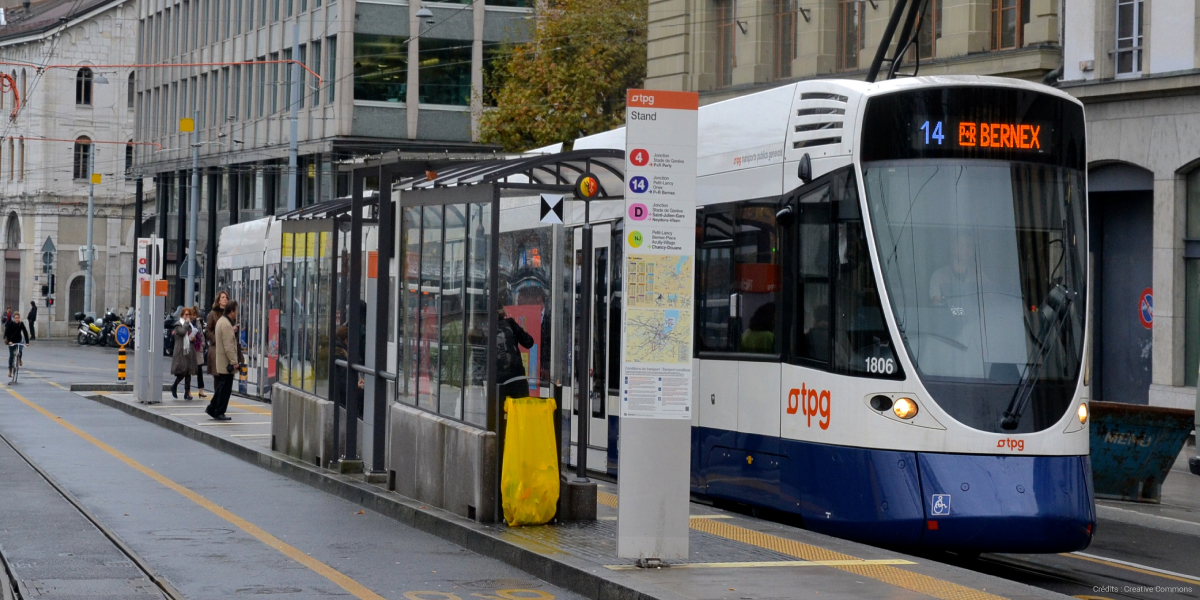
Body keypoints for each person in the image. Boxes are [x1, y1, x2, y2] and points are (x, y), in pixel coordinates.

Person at [206, 300, 239, 421]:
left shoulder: (223, 322)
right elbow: (228, 345)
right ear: (231, 311)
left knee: (221, 386)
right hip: (226, 362)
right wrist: (234, 361)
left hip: (222, 360)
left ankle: (211, 407)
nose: (237, 313)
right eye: (236, 310)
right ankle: (219, 411)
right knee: (225, 389)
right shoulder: (225, 324)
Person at [496, 306, 534, 399]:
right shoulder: (510, 324)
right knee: (519, 410)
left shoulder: (486, 328)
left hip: (498, 381)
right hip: (517, 379)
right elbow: (529, 342)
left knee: (497, 411)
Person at [169, 308, 198, 400]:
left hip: (188, 350)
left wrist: (194, 339)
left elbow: (191, 335)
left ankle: (187, 392)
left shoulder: (190, 325)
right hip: (180, 351)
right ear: (182, 315)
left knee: (188, 372)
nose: (188, 317)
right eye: (186, 315)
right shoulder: (179, 324)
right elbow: (182, 332)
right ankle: (174, 385)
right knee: (183, 371)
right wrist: (186, 323)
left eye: (189, 315)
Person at [205, 291, 229, 391]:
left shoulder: (229, 314)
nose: (225, 299)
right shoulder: (213, 314)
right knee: (218, 376)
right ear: (218, 300)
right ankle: (217, 400)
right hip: (216, 349)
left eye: (226, 297)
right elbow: (207, 331)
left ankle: (221, 401)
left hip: (227, 349)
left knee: (226, 377)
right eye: (223, 297)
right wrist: (215, 339)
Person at [5, 311, 29, 380]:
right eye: (16, 318)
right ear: (13, 318)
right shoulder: (10, 324)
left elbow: (25, 332)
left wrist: (27, 342)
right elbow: (7, 333)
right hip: (11, 341)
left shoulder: (21, 324)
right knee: (12, 355)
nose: (17, 319)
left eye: (18, 318)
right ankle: (10, 370)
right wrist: (9, 341)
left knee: (20, 350)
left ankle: (19, 359)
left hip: (19, 340)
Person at [191, 306, 208, 399]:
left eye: (195, 315)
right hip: (190, 349)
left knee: (199, 369)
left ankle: (201, 390)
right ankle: (187, 390)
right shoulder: (188, 322)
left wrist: (203, 344)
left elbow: (201, 334)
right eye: (192, 314)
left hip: (197, 349)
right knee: (187, 371)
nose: (194, 316)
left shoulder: (198, 322)